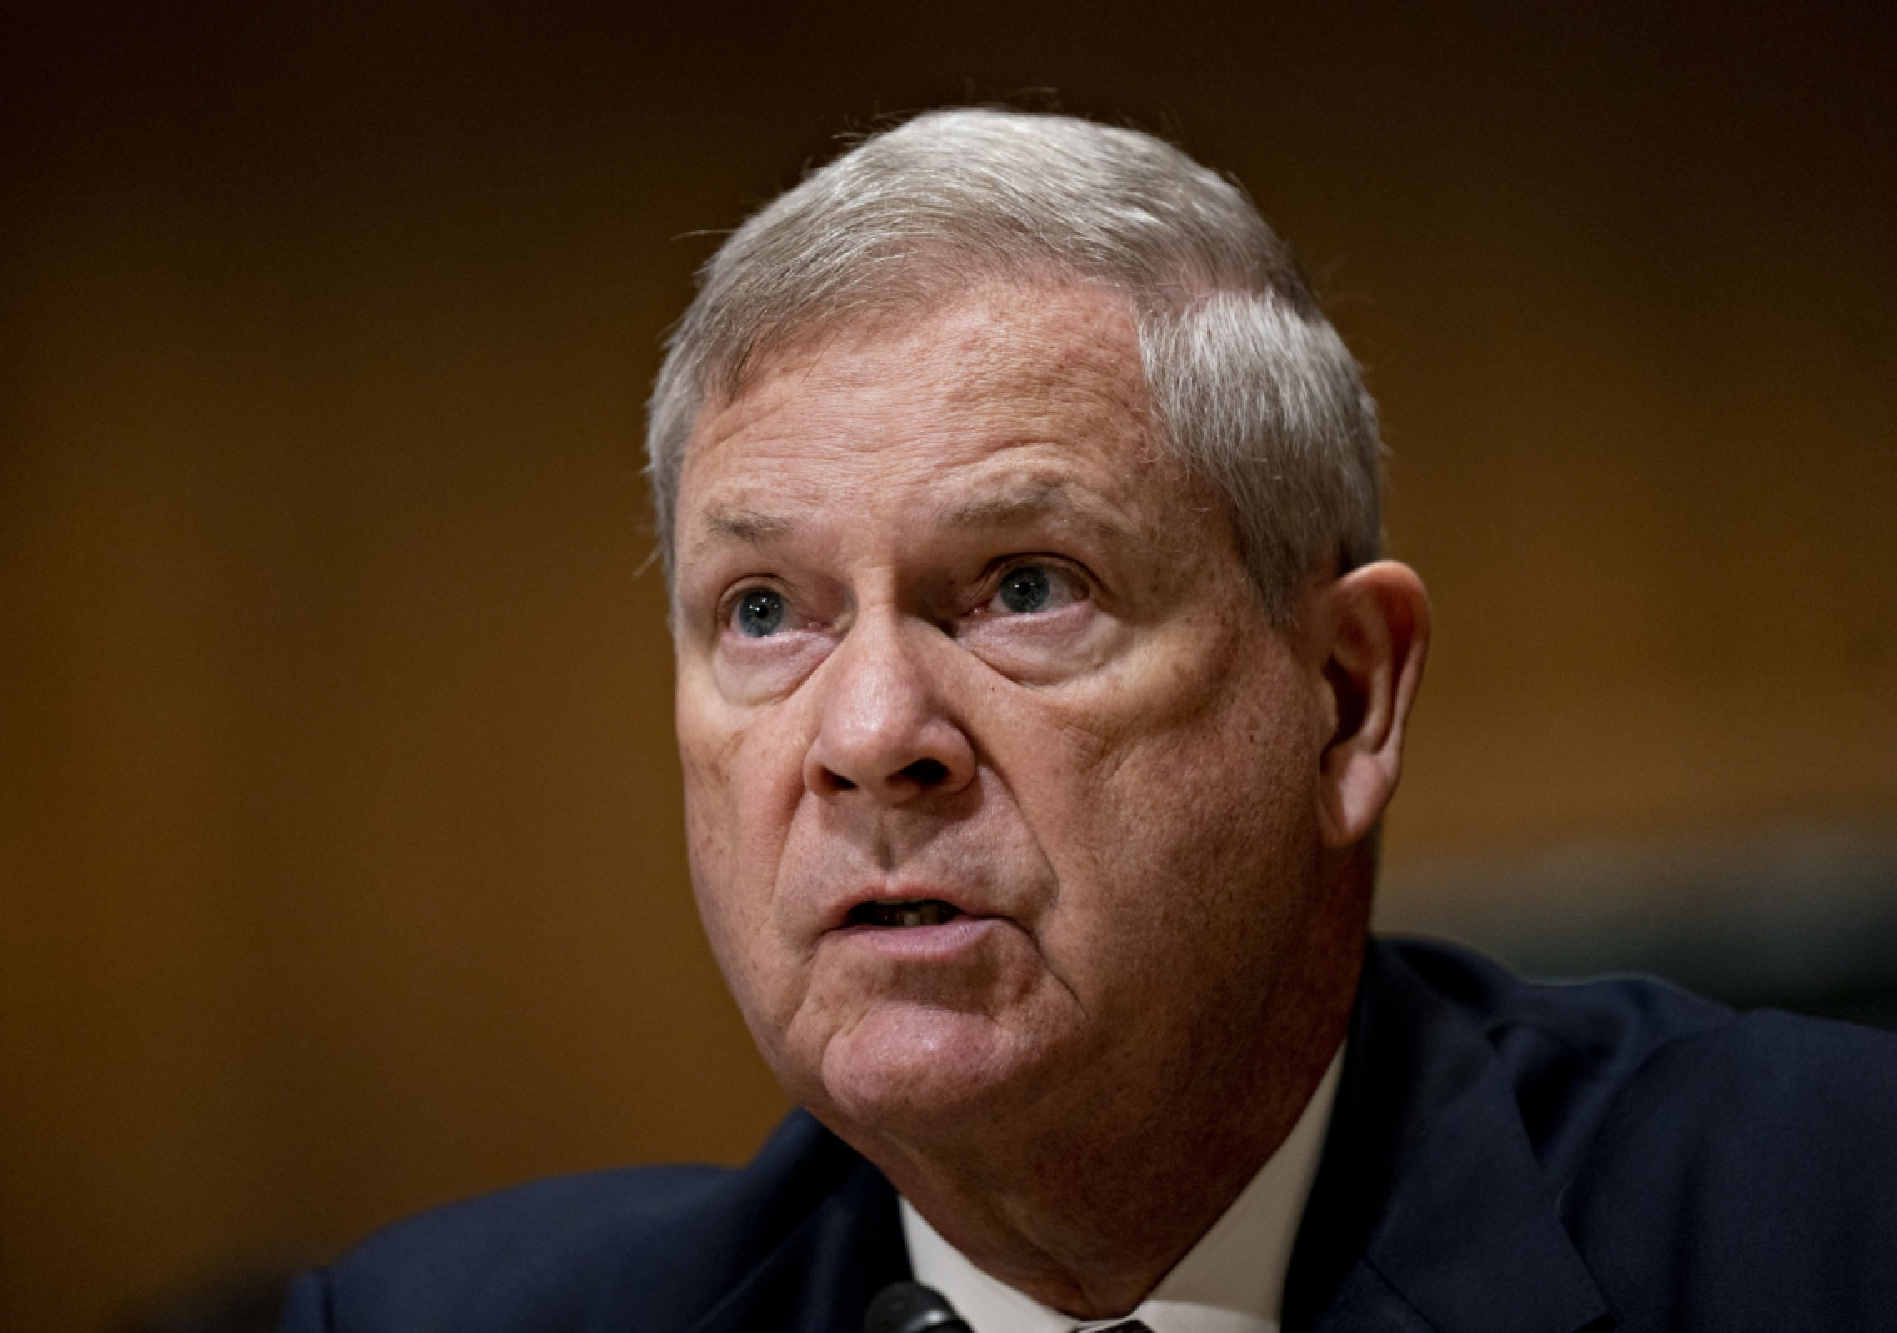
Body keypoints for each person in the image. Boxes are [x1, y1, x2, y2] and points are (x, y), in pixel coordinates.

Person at [280, 110, 1897, 1333]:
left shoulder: (1837, 1223)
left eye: (1024, 586)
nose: (869, 733)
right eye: (764, 611)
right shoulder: (441, 1320)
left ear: (1344, 699)